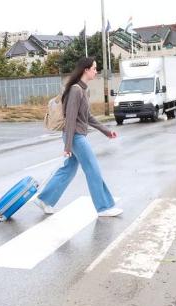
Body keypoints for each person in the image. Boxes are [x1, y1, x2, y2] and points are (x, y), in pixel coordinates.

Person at [34, 57, 122, 217]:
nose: (96, 71)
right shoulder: (76, 90)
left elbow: (87, 117)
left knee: (68, 169)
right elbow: (71, 119)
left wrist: (106, 131)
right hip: (74, 137)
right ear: (86, 70)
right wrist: (67, 147)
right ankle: (104, 207)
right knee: (93, 170)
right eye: (94, 68)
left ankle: (45, 199)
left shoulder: (82, 90)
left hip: (75, 136)